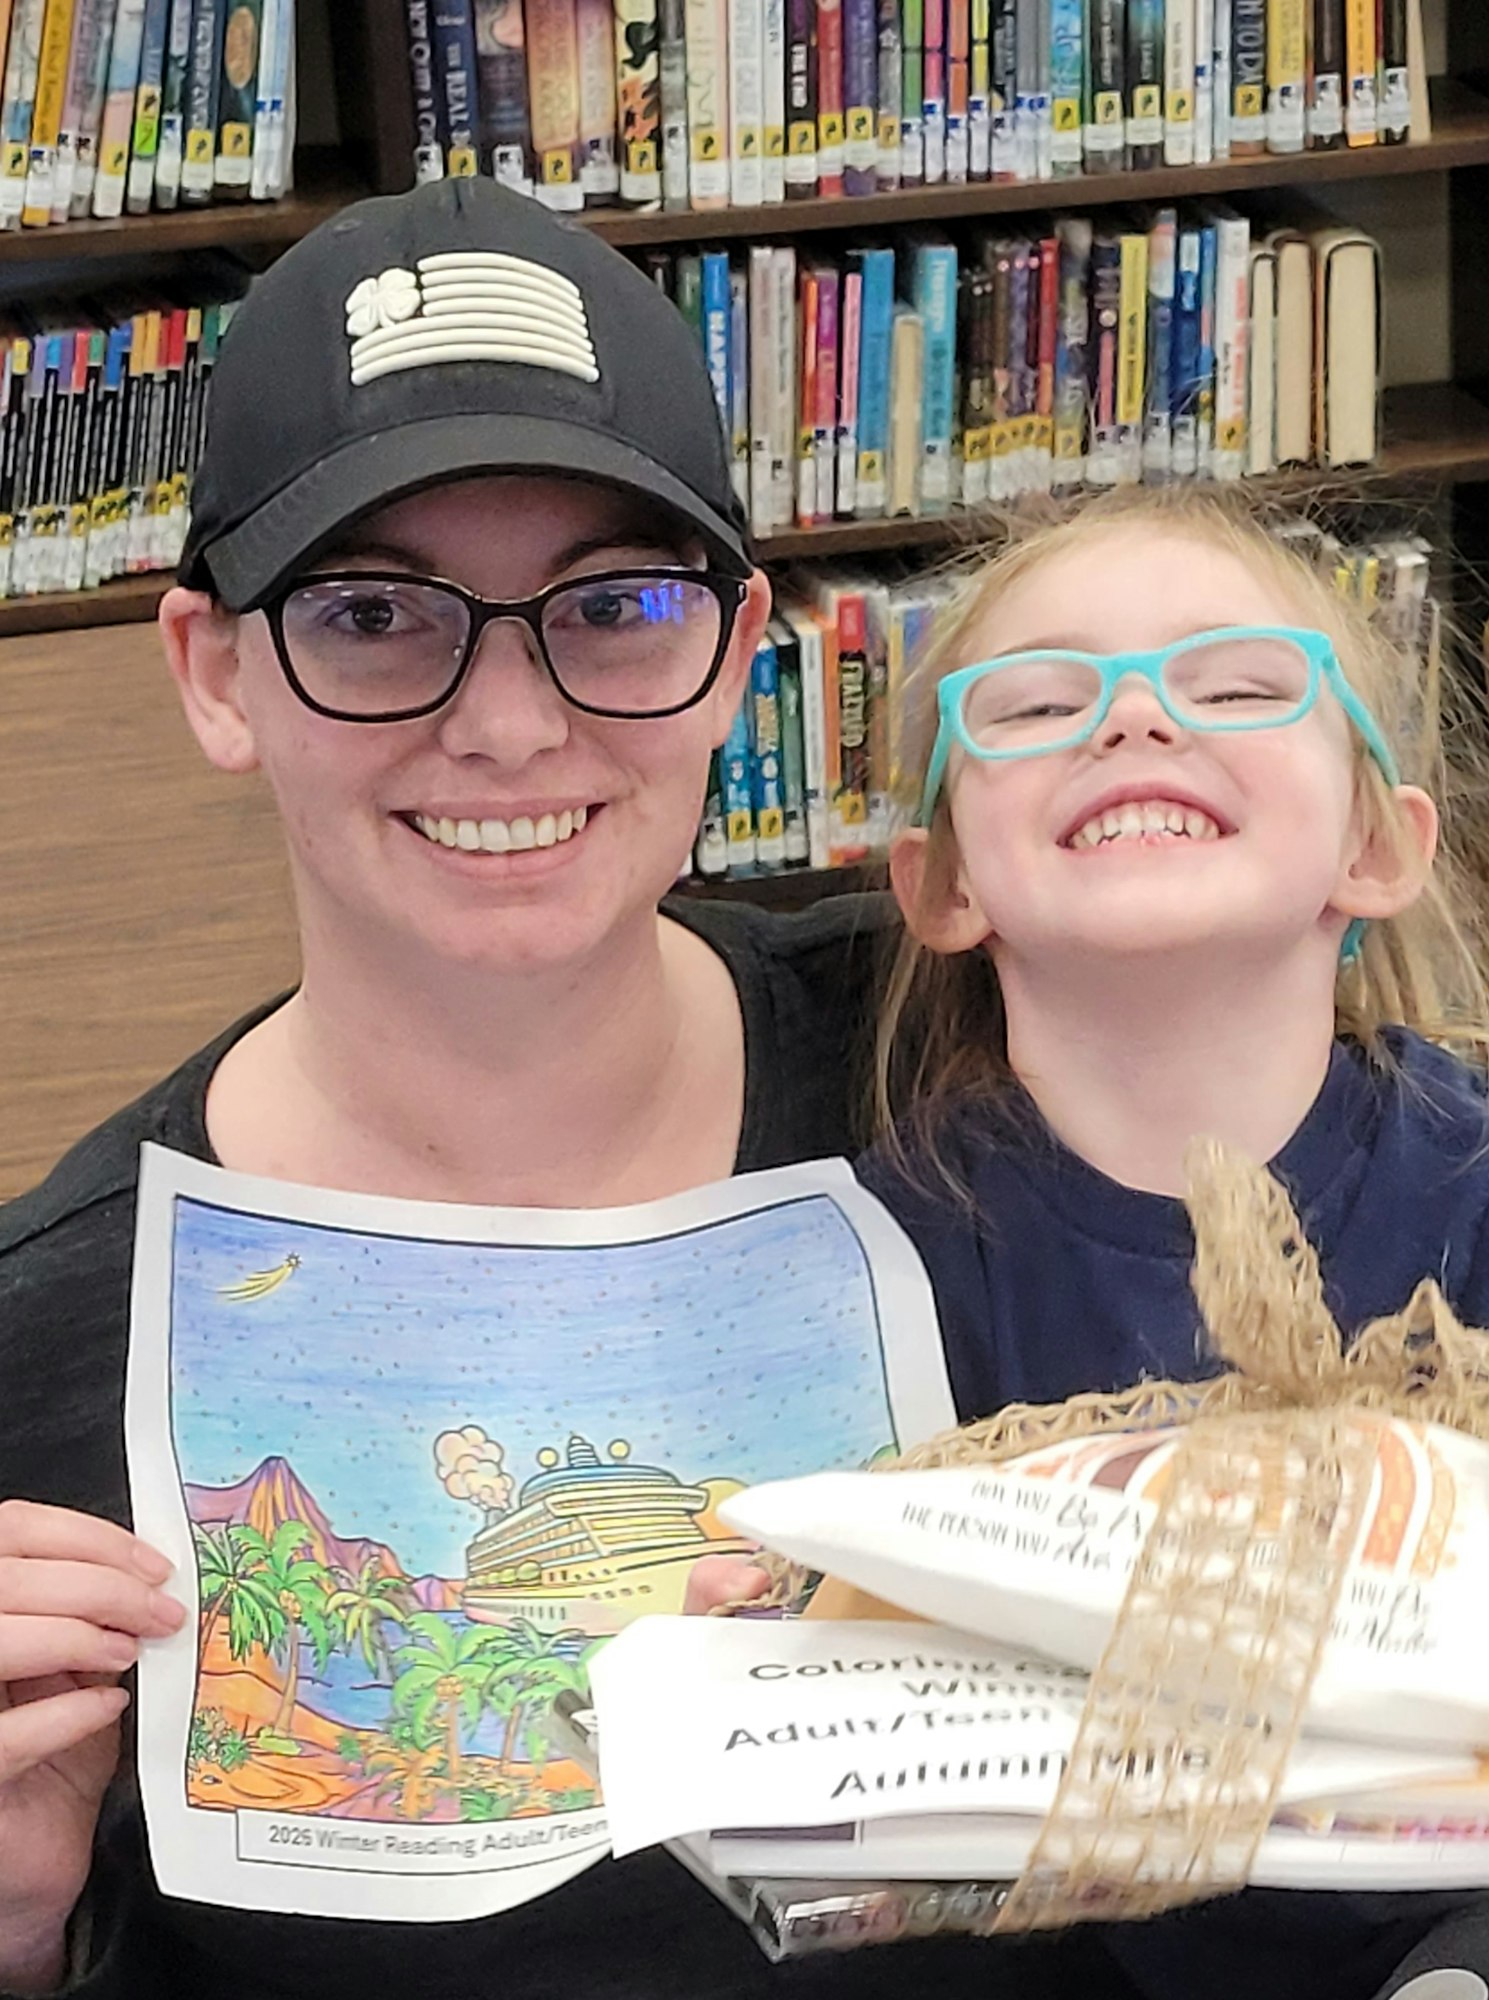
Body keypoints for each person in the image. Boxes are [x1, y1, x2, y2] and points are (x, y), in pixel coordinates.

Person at [0, 178, 1117, 2000]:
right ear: (215, 672)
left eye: (612, 606)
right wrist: (24, 1932)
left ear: (738, 649)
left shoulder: (995, 1067)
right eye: (373, 614)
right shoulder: (48, 1339)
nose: (509, 724)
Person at [847, 484, 1489, 2000]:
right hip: (1122, 1902)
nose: (1134, 722)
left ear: (1378, 845)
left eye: (1236, 685)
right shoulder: (907, 1227)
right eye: (1039, 700)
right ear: (941, 880)